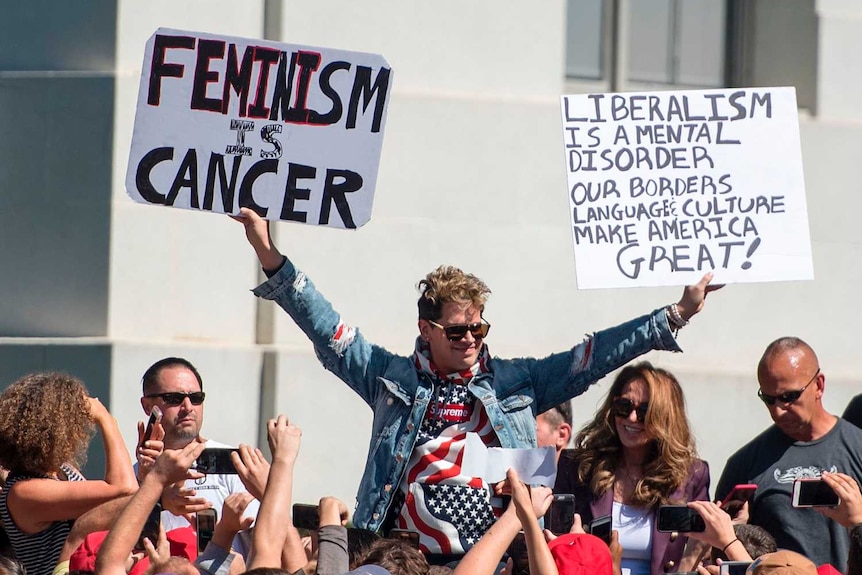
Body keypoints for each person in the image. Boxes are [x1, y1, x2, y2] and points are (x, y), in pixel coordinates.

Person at [234, 208, 717, 556]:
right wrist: (267, 251)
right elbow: (325, 325)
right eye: (457, 330)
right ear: (426, 329)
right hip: (404, 560)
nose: (470, 339)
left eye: (479, 327)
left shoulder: (516, 382)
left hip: (501, 559)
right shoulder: (390, 376)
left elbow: (591, 357)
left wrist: (674, 315)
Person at [715, 337, 862, 570]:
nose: (778, 411)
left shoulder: (857, 448)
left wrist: (857, 521)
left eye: (788, 397)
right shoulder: (745, 464)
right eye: (768, 399)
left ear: (819, 385)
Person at [554, 362, 710, 575]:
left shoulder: (691, 475)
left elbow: (697, 552)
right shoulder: (578, 467)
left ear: (664, 417)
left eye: (645, 411)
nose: (632, 418)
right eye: (624, 406)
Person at [0, 372, 138, 575]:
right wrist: (107, 420)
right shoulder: (24, 491)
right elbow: (123, 488)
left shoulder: (61, 471)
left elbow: (117, 500)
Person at [137, 357, 258, 531]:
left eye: (196, 398)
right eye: (174, 398)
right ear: (148, 406)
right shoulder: (136, 477)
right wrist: (147, 483)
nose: (188, 407)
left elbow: (265, 542)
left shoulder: (233, 463)